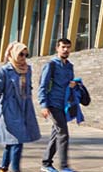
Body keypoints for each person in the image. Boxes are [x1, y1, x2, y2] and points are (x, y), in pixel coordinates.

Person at [0, 41, 41, 172]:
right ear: (13, 54)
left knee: (12, 141)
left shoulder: (28, 70)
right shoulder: (4, 71)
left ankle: (3, 168)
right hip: (9, 109)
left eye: (26, 54)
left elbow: (27, 88)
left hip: (25, 107)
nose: (23, 57)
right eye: (21, 54)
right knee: (18, 141)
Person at [38, 37, 77, 172]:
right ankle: (64, 166)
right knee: (63, 134)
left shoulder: (70, 66)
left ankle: (46, 163)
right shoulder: (51, 65)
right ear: (57, 48)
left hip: (63, 105)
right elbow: (42, 86)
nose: (66, 50)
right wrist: (43, 105)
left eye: (68, 47)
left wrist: (73, 84)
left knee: (57, 134)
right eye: (63, 47)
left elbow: (69, 85)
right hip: (53, 104)